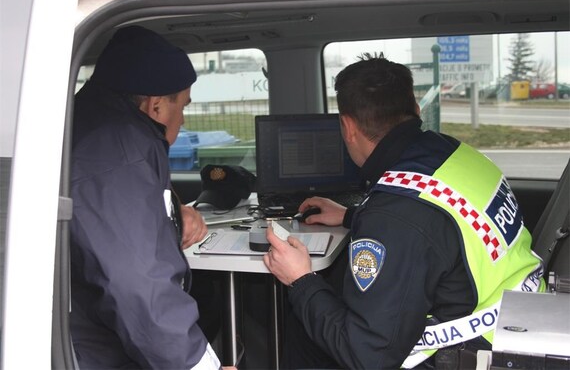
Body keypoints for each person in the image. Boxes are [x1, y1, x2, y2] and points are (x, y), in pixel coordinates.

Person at [263, 53, 545, 369]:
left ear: (347, 126)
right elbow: (443, 229)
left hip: (475, 355)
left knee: (304, 328)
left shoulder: (396, 214)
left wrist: (301, 280)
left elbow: (369, 356)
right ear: (416, 110)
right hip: (524, 325)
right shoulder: (454, 154)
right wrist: (350, 216)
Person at [70, 25, 234, 369]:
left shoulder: (94, 123)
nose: (184, 118)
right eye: (183, 106)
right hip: (99, 350)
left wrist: (174, 211)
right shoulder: (118, 150)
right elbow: (138, 287)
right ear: (157, 106)